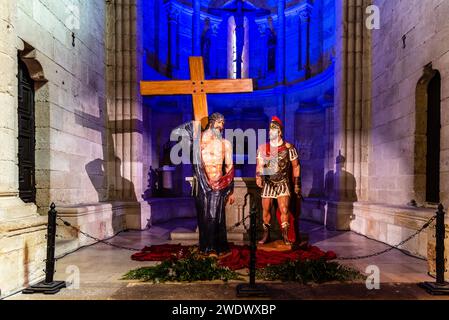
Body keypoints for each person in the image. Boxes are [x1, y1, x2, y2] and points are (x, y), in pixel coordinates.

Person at [172, 113, 235, 257]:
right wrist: (193, 125)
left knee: (215, 216)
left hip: (219, 183)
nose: (222, 126)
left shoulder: (226, 143)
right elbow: (177, 134)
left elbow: (229, 167)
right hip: (202, 183)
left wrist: (230, 191)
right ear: (212, 123)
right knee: (203, 216)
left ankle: (215, 248)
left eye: (223, 124)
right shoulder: (197, 141)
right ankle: (206, 247)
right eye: (220, 123)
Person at [256, 116, 301, 245]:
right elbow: (259, 165)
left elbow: (295, 166)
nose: (270, 132)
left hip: (283, 182)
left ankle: (285, 236)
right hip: (269, 183)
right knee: (266, 210)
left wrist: (297, 184)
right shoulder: (263, 148)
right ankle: (266, 235)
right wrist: (258, 176)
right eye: (269, 130)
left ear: (279, 132)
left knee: (284, 209)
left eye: (273, 130)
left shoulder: (289, 148)